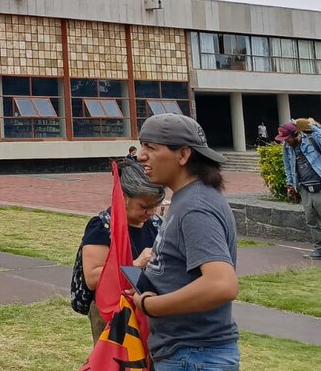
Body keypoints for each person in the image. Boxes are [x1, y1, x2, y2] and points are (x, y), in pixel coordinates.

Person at [133, 113, 239, 370]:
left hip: (194, 356)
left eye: (151, 147)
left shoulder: (196, 207)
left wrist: (151, 305)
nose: (140, 156)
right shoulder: (189, 198)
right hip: (187, 354)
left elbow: (221, 285)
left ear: (182, 155)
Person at [75, 158, 165, 342]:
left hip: (148, 305)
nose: (150, 212)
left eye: (154, 206)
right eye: (144, 206)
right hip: (112, 308)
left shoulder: (156, 224)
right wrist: (135, 265)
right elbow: (92, 278)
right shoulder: (102, 226)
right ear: (123, 197)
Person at [276, 118, 321, 259]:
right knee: (311, 220)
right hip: (304, 188)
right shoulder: (287, 147)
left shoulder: (312, 139)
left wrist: (312, 126)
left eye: (287, 138)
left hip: (319, 184)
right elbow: (288, 166)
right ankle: (319, 249)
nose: (285, 141)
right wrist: (291, 184)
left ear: (296, 134)